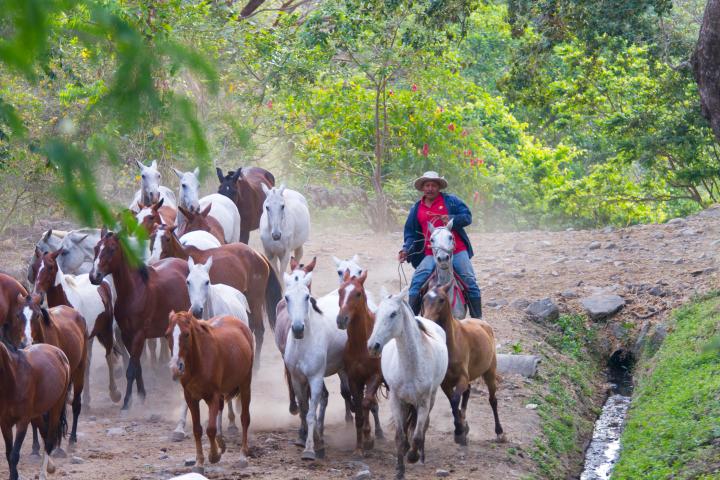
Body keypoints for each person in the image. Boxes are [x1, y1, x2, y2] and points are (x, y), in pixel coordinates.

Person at [398, 171, 482, 318]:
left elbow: (467, 217)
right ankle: (412, 320)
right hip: (431, 253)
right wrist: (406, 249)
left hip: (456, 250)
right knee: (416, 283)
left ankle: (478, 320)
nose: (430, 188)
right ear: (423, 188)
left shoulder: (451, 201)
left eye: (433, 185)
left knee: (470, 282)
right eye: (427, 185)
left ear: (439, 187)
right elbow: (410, 233)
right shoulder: (417, 208)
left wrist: (451, 218)